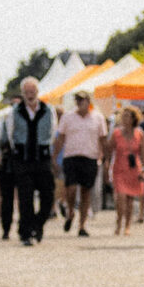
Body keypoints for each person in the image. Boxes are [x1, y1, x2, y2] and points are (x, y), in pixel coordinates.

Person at [0, 77, 55, 245]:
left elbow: (53, 131)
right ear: (23, 93)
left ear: (37, 92)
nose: (30, 95)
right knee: (25, 197)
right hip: (22, 159)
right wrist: (18, 150)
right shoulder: (14, 112)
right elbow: (10, 134)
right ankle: (25, 233)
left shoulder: (48, 109)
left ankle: (38, 223)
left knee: (48, 195)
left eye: (33, 91)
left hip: (42, 158)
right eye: (27, 92)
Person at [55, 89, 106, 237]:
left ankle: (82, 224)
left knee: (86, 191)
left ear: (88, 101)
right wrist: (55, 156)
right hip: (71, 156)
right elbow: (60, 138)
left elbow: (102, 139)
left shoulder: (98, 118)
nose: (79, 103)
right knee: (70, 189)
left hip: (90, 157)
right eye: (77, 100)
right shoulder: (68, 117)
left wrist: (105, 157)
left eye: (82, 100)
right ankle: (70, 211)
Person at [108, 105, 144, 236]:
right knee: (120, 196)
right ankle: (119, 221)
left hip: (134, 168)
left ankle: (127, 225)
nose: (124, 119)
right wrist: (106, 164)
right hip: (119, 168)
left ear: (133, 119)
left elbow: (143, 152)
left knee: (130, 199)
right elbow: (110, 149)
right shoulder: (116, 133)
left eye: (127, 117)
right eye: (123, 116)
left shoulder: (140, 134)